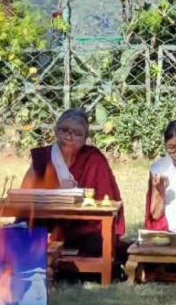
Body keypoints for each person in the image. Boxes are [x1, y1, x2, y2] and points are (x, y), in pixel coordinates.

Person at [22, 108, 125, 254]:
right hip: (48, 222)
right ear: (56, 131)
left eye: (77, 134)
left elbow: (107, 200)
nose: (69, 137)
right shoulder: (44, 157)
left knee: (98, 245)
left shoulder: (94, 159)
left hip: (82, 226)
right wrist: (56, 193)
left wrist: (75, 197)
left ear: (85, 138)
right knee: (20, 229)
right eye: (64, 130)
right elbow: (24, 193)